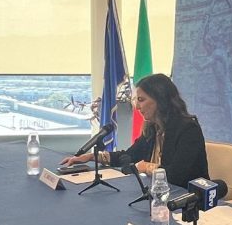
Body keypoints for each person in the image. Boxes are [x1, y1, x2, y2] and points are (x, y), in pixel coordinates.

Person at [62, 73, 208, 187]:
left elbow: (176, 176)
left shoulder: (188, 130)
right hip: (160, 193)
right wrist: (92, 157)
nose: (137, 107)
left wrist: (146, 167)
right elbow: (129, 156)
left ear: (161, 100)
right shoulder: (153, 128)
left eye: (141, 100)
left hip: (189, 199)